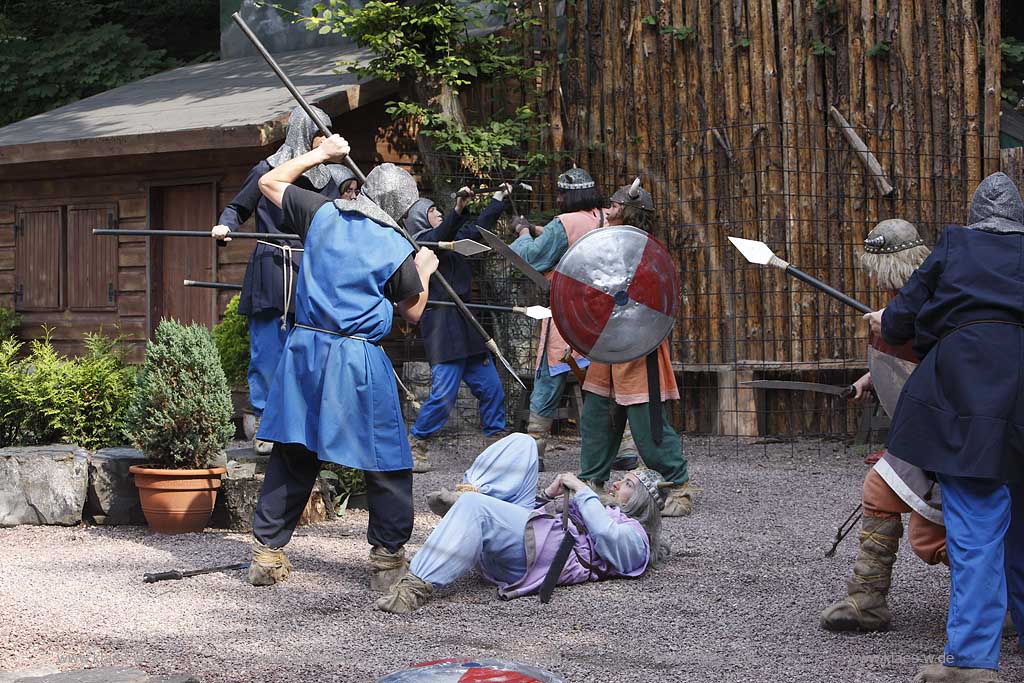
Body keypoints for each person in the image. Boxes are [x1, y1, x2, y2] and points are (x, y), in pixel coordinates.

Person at [245, 133, 440, 595]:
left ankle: (266, 556)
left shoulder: (320, 213)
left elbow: (270, 181)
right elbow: (412, 312)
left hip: (306, 352)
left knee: (295, 452)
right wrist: (426, 271)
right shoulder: (396, 244)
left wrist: (321, 154)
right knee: (386, 457)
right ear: (402, 208)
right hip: (356, 358)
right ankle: (388, 561)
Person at [865, 173, 1024, 682]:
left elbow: (899, 323)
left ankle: (973, 663)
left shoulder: (955, 244)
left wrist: (887, 321)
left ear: (977, 216)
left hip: (966, 395)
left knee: (976, 527)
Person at [375, 433, 668, 614]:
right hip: (529, 536)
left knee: (476, 510)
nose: (617, 483)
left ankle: (413, 588)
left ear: (642, 501)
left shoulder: (636, 540)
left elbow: (605, 534)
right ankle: (470, 492)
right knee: (524, 444)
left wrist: (583, 491)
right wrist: (547, 495)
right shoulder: (601, 509)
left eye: (627, 483)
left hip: (531, 557)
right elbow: (548, 517)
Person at [820, 218, 946, 632]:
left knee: (932, 536)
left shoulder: (939, 299)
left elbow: (942, 356)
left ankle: (1001, 597)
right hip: (923, 425)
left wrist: (899, 320)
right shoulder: (902, 303)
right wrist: (873, 376)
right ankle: (867, 598)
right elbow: (906, 362)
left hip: (954, 427)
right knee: (879, 488)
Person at [211, 105, 341, 454]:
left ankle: (304, 424)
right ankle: (267, 424)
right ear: (302, 133)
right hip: (271, 264)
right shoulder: (266, 169)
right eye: (319, 132)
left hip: (309, 268)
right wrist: (226, 226)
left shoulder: (327, 179)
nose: (323, 139)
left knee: (310, 350)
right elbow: (238, 208)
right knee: (268, 351)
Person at [576, 178, 693, 516]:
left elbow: (655, 302)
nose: (608, 210)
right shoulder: (602, 246)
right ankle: (592, 484)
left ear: (630, 212)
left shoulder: (648, 253)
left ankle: (678, 487)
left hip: (639, 346)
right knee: (597, 417)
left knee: (646, 423)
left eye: (614, 205)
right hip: (607, 345)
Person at [404, 185, 512, 472]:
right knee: (443, 395)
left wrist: (497, 201)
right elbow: (440, 236)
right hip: (441, 325)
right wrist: (457, 209)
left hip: (467, 323)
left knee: (492, 389)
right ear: (419, 220)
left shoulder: (451, 241)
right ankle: (417, 443)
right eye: (432, 212)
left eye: (440, 211)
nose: (438, 214)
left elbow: (476, 229)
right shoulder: (421, 244)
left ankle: (496, 445)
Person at [511, 168, 605, 469]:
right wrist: (544, 231)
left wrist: (524, 233)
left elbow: (534, 257)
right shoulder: (604, 217)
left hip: (569, 314)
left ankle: (534, 451)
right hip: (602, 317)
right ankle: (624, 451)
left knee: (549, 377)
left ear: (566, 195)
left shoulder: (563, 222)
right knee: (603, 383)